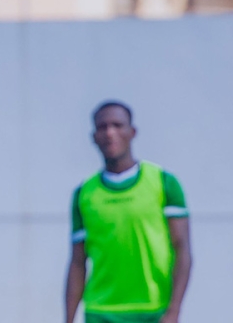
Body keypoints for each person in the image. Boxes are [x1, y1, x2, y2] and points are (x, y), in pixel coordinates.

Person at [65, 101, 192, 323]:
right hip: (100, 312)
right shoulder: (84, 194)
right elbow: (77, 262)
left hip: (154, 310)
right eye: (102, 127)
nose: (110, 132)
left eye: (117, 125)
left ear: (132, 132)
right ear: (94, 136)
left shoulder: (164, 183)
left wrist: (174, 311)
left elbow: (183, 250)